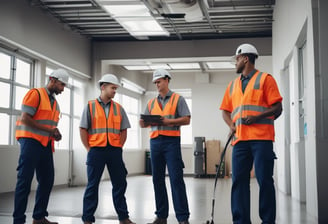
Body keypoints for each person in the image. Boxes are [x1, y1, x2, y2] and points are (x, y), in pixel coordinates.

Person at [220, 43, 283, 224]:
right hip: (240, 140)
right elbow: (225, 110)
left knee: (264, 180)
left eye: (237, 59)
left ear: (245, 58)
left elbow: (278, 108)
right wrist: (231, 125)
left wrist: (258, 117)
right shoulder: (232, 85)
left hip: (261, 139)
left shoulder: (265, 79)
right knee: (238, 181)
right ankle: (241, 221)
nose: (235, 63)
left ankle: (268, 221)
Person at [14, 68, 69, 224]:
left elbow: (48, 126)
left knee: (47, 179)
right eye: (61, 85)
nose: (63, 89)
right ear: (52, 80)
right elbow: (25, 119)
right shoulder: (35, 94)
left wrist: (55, 134)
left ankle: (39, 217)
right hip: (30, 142)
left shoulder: (55, 104)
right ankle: (18, 220)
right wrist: (49, 130)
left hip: (45, 144)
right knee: (24, 181)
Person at [80, 74, 135, 224]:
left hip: (114, 151)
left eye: (116, 88)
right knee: (92, 185)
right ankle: (87, 219)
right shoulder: (90, 106)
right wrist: (88, 148)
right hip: (96, 151)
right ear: (103, 87)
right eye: (113, 88)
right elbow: (83, 128)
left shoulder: (119, 108)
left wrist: (119, 145)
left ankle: (123, 217)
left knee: (120, 183)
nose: (114, 91)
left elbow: (124, 130)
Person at [139, 68, 190, 224]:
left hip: (171, 143)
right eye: (155, 82)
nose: (157, 84)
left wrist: (170, 122)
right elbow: (143, 123)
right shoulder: (151, 102)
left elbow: (187, 119)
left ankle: (182, 218)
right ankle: (161, 216)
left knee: (176, 179)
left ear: (167, 80)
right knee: (157, 180)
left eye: (159, 81)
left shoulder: (178, 99)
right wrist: (142, 122)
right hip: (155, 143)